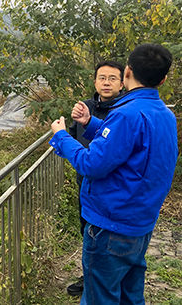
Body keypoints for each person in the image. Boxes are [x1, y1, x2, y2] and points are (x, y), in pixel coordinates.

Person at [50, 43, 178, 305]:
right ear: (163, 79)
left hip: (112, 224)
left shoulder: (126, 114)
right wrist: (91, 123)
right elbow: (131, 146)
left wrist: (61, 136)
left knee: (100, 296)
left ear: (127, 72)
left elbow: (91, 164)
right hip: (140, 221)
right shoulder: (165, 114)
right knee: (130, 295)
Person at [66, 60, 125, 297]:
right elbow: (72, 136)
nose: (107, 82)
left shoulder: (124, 112)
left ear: (122, 83)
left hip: (112, 188)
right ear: (95, 81)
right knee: (87, 232)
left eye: (112, 78)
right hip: (86, 183)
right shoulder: (85, 107)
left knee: (110, 238)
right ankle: (89, 277)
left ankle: (109, 283)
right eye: (102, 78)